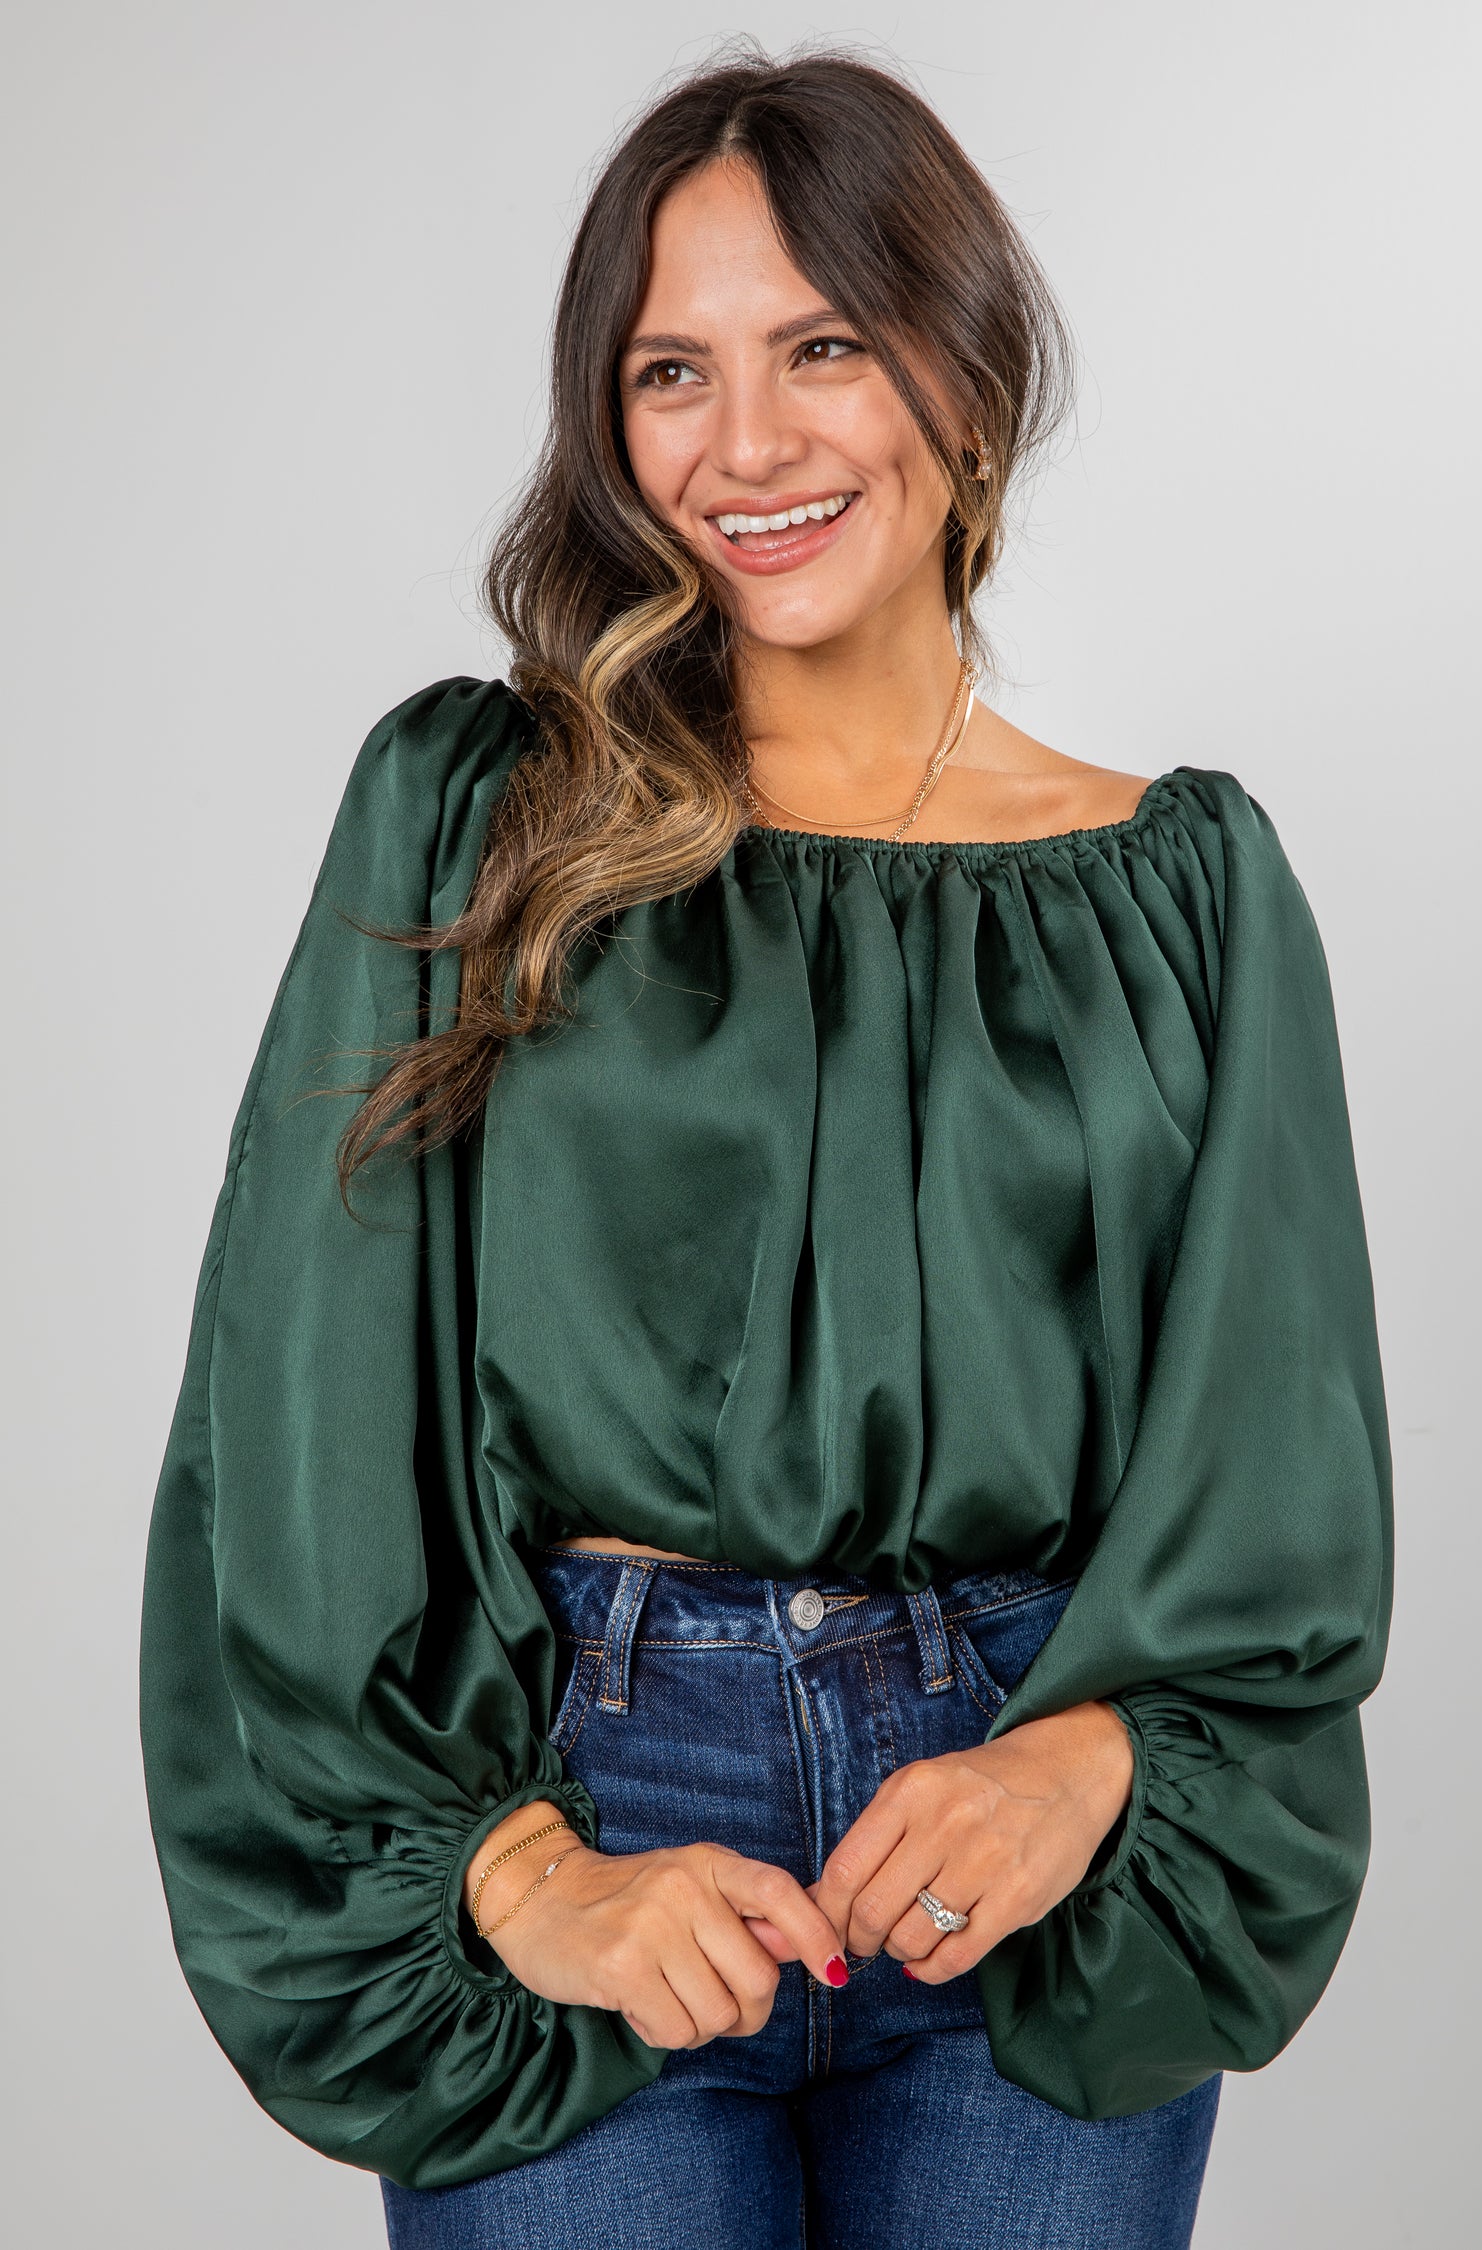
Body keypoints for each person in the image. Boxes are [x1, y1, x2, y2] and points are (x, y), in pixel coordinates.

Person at [139, 47, 1394, 2250]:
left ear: (964, 360)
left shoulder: (1190, 889)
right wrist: (517, 1872)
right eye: (669, 373)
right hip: (595, 1797)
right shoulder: (477, 819)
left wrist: (1078, 1761)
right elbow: (301, 1408)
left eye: (821, 344)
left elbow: (1273, 1473)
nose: (747, 445)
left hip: (1017, 1857)